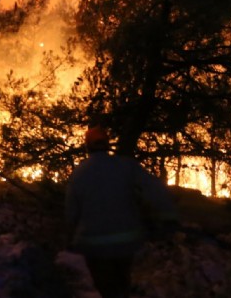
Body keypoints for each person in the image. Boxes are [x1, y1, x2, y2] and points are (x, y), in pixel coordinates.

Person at [64, 125, 178, 298]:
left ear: (87, 147)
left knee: (106, 289)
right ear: (107, 144)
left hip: (93, 246)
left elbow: (71, 213)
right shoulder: (126, 166)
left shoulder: (79, 174)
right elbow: (155, 189)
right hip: (126, 243)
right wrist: (168, 217)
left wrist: (70, 237)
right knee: (121, 286)